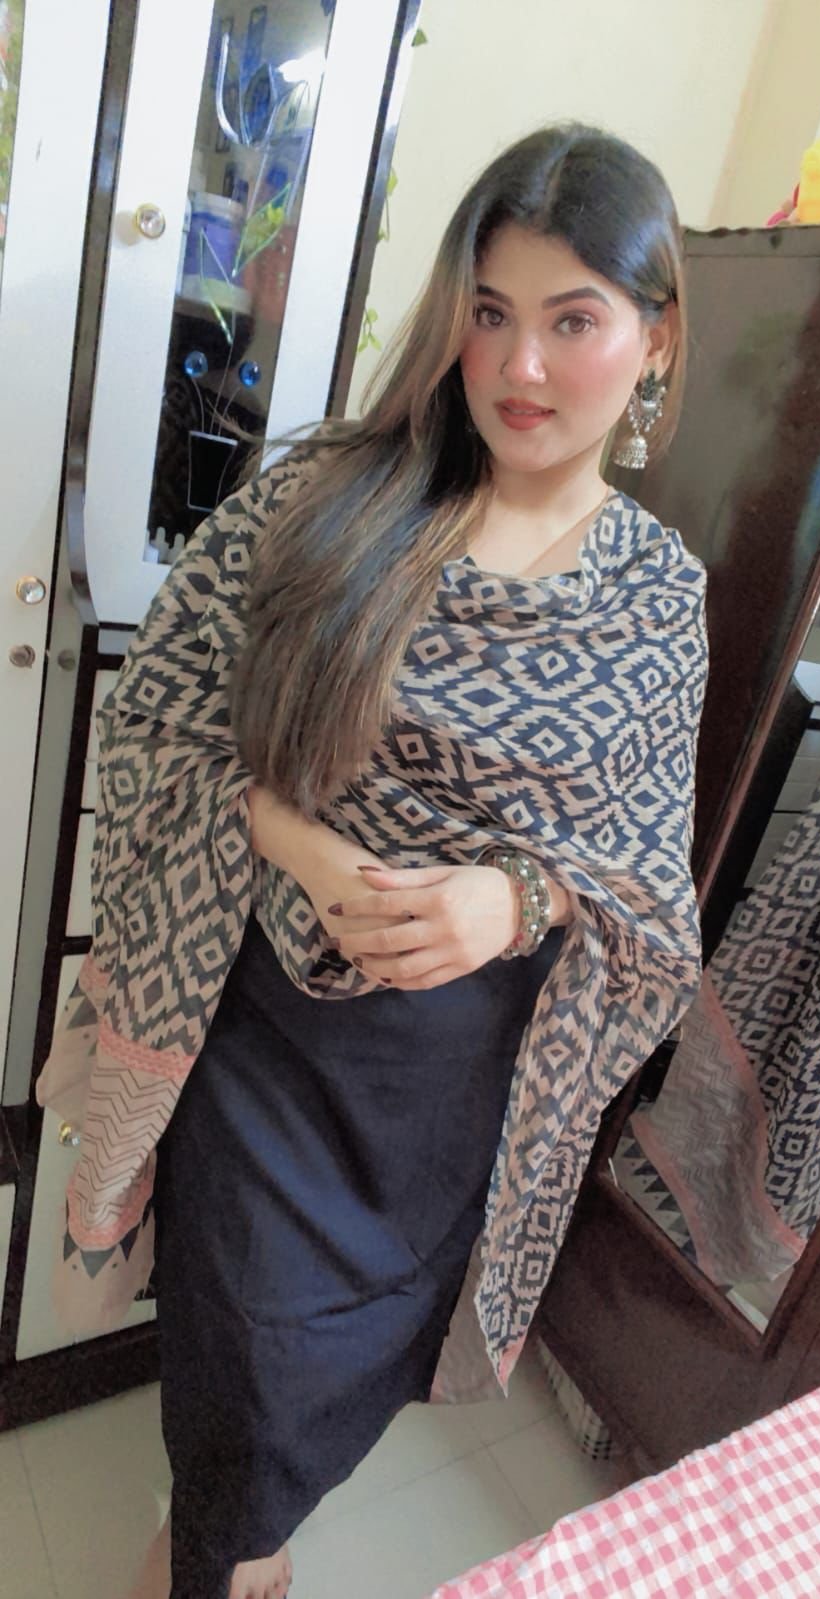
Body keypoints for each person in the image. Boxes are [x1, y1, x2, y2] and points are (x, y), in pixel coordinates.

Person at [36, 123, 708, 1599]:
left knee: (339, 1382)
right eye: (490, 312)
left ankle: (241, 1537)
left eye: (574, 320)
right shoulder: (327, 497)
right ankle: (219, 1551)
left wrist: (512, 898)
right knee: (243, 1361)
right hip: (267, 1046)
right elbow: (163, 719)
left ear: (655, 339)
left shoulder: (660, 599)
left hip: (453, 1097)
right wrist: (299, 842)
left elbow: (648, 886)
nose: (519, 366)